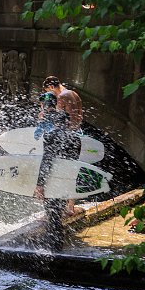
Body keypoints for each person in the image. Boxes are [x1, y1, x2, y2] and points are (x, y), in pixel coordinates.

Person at [33, 76, 84, 218]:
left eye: (48, 90)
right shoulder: (74, 94)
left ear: (51, 86)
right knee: (70, 172)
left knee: (55, 170)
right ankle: (70, 207)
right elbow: (77, 117)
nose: (52, 94)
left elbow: (59, 119)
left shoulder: (61, 96)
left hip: (65, 137)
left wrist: (44, 115)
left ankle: (51, 205)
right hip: (76, 137)